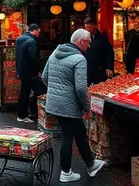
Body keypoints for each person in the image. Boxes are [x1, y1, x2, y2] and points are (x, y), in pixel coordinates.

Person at [42, 29, 105, 182]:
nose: (89, 45)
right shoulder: (79, 59)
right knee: (67, 136)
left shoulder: (55, 53)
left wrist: (55, 92)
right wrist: (86, 107)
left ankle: (91, 164)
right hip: (69, 106)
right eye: (88, 42)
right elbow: (81, 88)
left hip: (55, 103)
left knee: (79, 133)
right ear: (81, 41)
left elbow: (45, 77)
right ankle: (65, 172)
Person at [15, 23, 42, 123]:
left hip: (22, 70)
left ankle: (22, 115)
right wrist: (37, 70)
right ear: (35, 30)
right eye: (39, 32)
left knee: (24, 92)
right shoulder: (31, 41)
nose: (39, 34)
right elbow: (33, 57)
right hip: (30, 71)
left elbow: (17, 56)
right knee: (39, 90)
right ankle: (32, 113)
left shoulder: (19, 39)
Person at [82, 18, 115, 85]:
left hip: (99, 70)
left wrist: (109, 67)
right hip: (87, 69)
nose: (86, 29)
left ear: (95, 26)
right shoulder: (83, 37)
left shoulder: (102, 38)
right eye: (85, 27)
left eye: (88, 27)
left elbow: (109, 53)